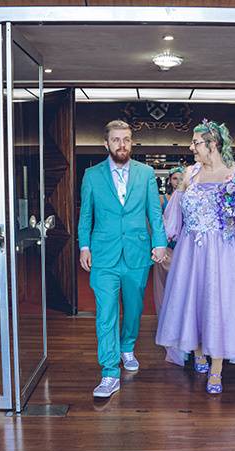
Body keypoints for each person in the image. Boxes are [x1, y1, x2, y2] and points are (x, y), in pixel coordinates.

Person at [155, 120, 235, 394]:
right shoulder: (189, 175)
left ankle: (216, 369)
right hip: (191, 251)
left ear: (213, 145)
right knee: (191, 301)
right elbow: (174, 213)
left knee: (219, 303)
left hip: (225, 253)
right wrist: (161, 243)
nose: (192, 148)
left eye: (196, 143)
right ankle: (198, 352)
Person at [77, 120, 168, 399]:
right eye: (116, 140)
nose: (122, 145)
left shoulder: (146, 173)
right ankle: (109, 372)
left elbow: (154, 212)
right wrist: (84, 246)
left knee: (134, 307)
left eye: (126, 139)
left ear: (131, 143)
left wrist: (160, 243)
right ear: (106, 144)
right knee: (105, 313)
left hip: (137, 253)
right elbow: (86, 216)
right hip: (104, 255)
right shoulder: (91, 175)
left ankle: (127, 345)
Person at [152, 166, 185, 315]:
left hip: (183, 247)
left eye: (181, 178)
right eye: (175, 178)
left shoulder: (189, 198)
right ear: (170, 180)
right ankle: (164, 315)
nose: (178, 181)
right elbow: (156, 222)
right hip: (167, 247)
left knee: (182, 284)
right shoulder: (162, 199)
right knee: (163, 283)